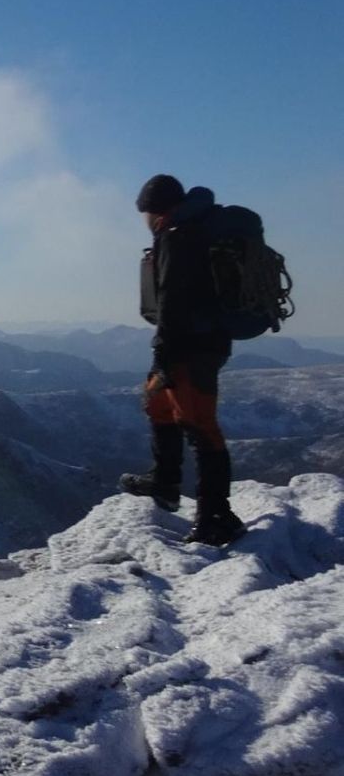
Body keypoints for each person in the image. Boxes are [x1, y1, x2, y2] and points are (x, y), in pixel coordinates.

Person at [120, 174, 246, 545]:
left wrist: (164, 354)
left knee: (199, 425)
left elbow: (173, 299)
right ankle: (165, 480)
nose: (145, 220)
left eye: (146, 212)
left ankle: (215, 515)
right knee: (157, 401)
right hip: (197, 341)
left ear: (157, 209)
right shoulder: (191, 231)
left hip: (192, 345)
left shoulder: (179, 237)